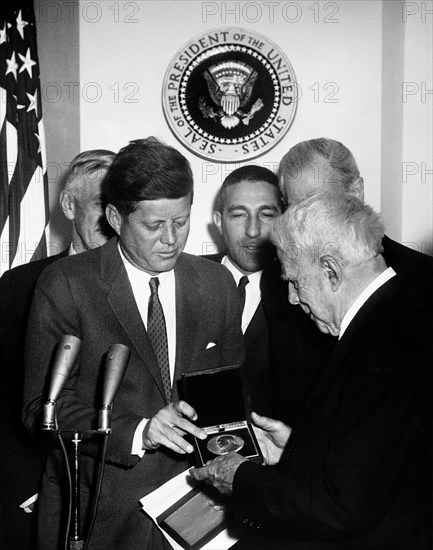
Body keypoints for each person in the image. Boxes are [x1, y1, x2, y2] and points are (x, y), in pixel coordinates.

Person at [23, 137, 244, 550]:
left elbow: (230, 399)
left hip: (202, 512)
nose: (171, 239)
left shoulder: (217, 285)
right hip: (101, 515)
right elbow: (41, 410)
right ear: (115, 217)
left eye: (181, 221)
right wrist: (140, 431)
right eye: (154, 225)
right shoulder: (67, 284)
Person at [190, 192, 432, 550]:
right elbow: (375, 459)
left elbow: (341, 508)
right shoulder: (405, 312)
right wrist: (297, 450)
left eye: (295, 281)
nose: (291, 297)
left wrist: (241, 477)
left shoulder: (379, 346)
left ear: (331, 270)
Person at [272, 137, 433, 425]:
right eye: (294, 208)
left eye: (319, 203)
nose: (306, 220)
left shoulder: (423, 279)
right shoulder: (285, 282)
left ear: (356, 191)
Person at [0, 149, 115, 550]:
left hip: (118, 494)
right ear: (69, 204)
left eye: (121, 204)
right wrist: (28, 486)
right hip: (34, 496)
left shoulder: (146, 289)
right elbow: (10, 400)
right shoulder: (19, 288)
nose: (112, 218)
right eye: (102, 203)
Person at [205, 165, 286, 415]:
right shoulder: (182, 277)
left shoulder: (301, 292)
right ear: (219, 222)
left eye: (266, 215)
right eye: (239, 215)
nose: (253, 230)